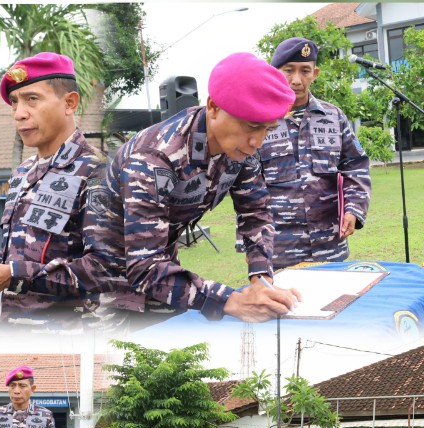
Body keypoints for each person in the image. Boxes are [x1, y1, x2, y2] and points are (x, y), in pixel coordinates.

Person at [86, 52, 300, 327]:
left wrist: (261, 280)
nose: (257, 141)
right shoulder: (154, 157)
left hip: (160, 266)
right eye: (251, 126)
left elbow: (255, 212)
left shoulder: (241, 149)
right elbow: (143, 267)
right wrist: (230, 300)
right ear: (213, 107)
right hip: (104, 282)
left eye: (268, 130)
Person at [0, 51, 114, 332]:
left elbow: (105, 269)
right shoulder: (22, 173)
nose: (19, 113)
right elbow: (17, 257)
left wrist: (12, 276)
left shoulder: (98, 172)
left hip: (71, 344)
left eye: (32, 99)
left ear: (69, 103)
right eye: (14, 102)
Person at [256, 37, 371, 269]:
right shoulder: (258, 120)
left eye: (305, 71)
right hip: (279, 249)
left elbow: (356, 165)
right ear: (274, 72)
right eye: (288, 70)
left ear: (315, 73)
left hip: (330, 244)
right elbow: (246, 184)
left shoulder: (333, 116)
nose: (297, 80)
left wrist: (354, 209)